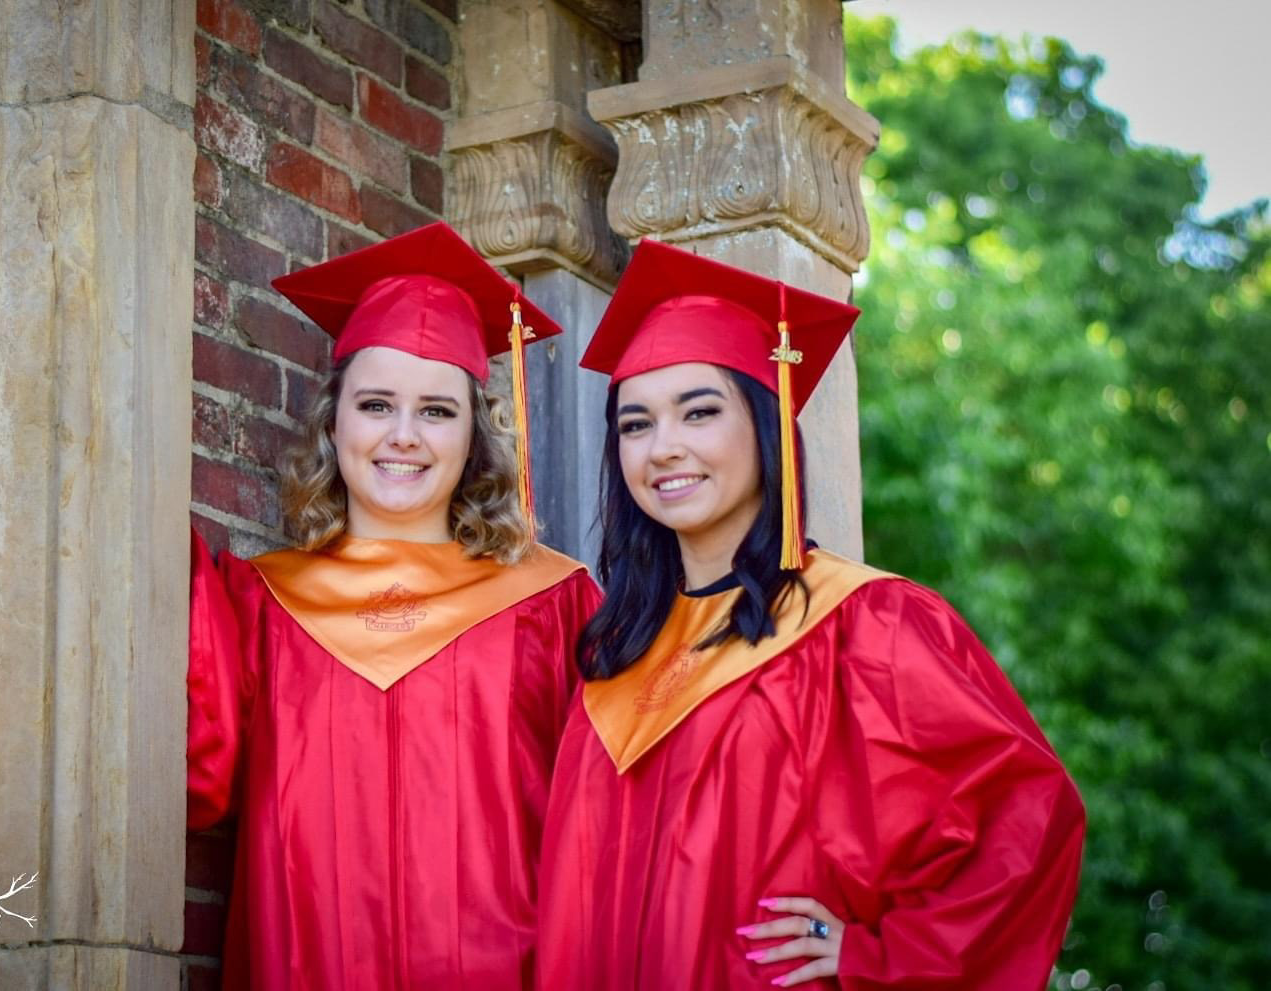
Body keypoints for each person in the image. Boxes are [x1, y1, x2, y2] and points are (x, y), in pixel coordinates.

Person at [536, 239, 1086, 990]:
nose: (663, 448)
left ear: (765, 424)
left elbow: (1023, 817)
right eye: (635, 424)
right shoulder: (615, 653)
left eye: (699, 412)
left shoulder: (866, 623)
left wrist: (879, 956)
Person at [188, 223, 602, 988]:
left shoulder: (554, 602)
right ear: (333, 421)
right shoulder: (260, 602)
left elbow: (617, 828)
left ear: (474, 434)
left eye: (437, 411)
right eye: (376, 404)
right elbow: (195, 773)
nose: (403, 435)